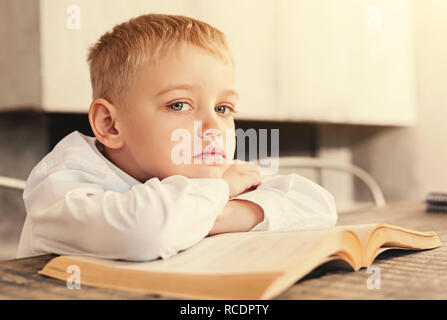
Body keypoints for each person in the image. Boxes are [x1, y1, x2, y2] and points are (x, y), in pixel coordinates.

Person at [16, 13, 337, 261]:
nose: (214, 128)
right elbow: (146, 231)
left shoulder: (197, 172)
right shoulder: (61, 184)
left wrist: (212, 215)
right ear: (111, 125)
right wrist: (221, 191)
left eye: (224, 108)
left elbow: (317, 204)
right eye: (180, 105)